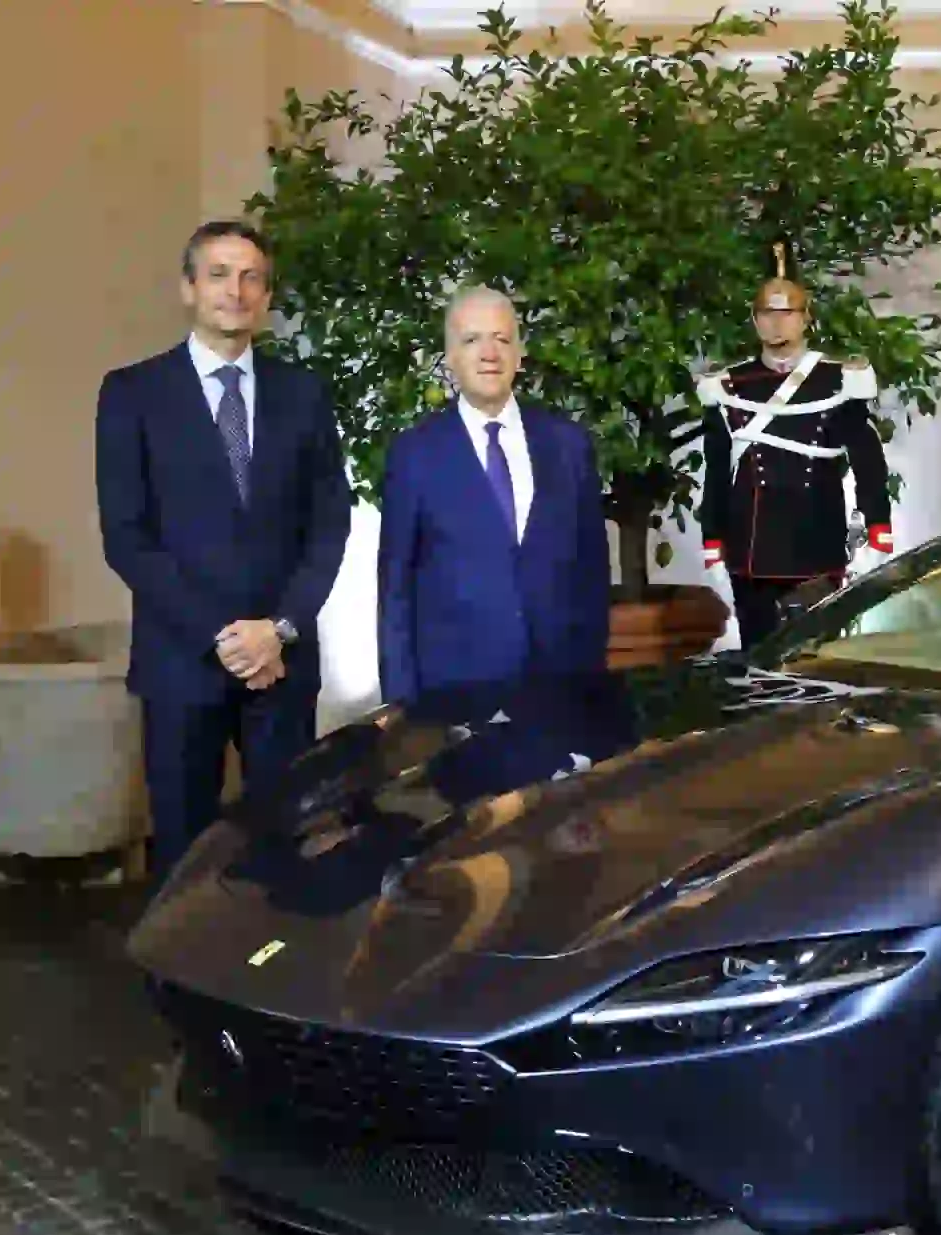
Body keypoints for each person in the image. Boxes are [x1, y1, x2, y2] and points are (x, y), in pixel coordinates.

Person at [95, 220, 352, 886]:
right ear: (188, 288)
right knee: (184, 853)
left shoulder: (306, 394)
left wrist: (280, 629)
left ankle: (276, 984)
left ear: (266, 296)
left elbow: (330, 525)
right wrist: (223, 636)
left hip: (283, 664)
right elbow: (126, 537)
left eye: (251, 278)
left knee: (287, 848)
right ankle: (179, 989)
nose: (234, 291)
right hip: (182, 664)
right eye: (218, 275)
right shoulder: (132, 394)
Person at [376, 286, 610, 704]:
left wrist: (591, 683)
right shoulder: (414, 454)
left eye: (502, 339)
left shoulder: (568, 444)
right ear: (449, 358)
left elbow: (591, 574)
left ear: (520, 354)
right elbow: (396, 591)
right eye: (472, 340)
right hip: (454, 693)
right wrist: (402, 708)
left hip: (560, 687)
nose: (489, 353)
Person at [696, 241, 893, 648]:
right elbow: (716, 470)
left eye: (787, 312)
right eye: (768, 312)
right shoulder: (728, 385)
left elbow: (868, 461)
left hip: (815, 544)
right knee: (757, 665)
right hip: (750, 551)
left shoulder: (840, 379)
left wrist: (879, 532)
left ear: (806, 319)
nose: (777, 322)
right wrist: (712, 543)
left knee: (818, 663)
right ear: (754, 320)